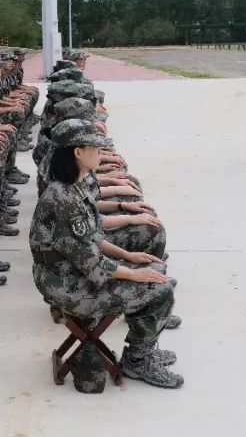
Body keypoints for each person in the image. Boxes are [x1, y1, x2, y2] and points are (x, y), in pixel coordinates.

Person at [30, 119, 182, 389]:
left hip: (71, 271)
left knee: (156, 272)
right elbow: (94, 265)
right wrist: (133, 274)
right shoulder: (64, 199)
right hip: (66, 284)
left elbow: (93, 235)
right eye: (95, 148)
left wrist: (129, 256)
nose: (100, 153)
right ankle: (137, 361)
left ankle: (142, 351)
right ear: (78, 152)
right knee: (161, 289)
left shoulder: (73, 186)